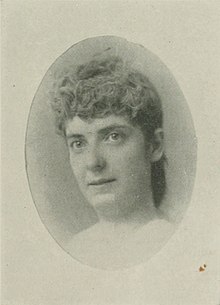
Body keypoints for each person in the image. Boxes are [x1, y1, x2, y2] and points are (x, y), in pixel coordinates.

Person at [50, 55, 174, 268]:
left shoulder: (174, 243)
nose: (93, 162)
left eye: (113, 137)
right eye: (78, 143)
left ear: (154, 145)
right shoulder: (74, 249)